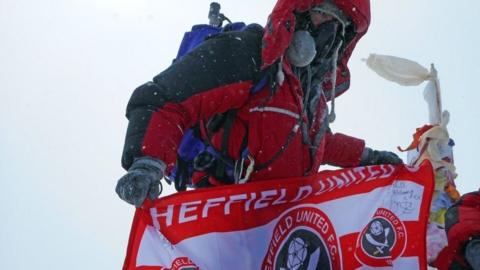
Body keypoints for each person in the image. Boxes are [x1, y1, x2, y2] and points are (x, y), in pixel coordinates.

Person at [116, 0, 402, 208]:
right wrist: (147, 163)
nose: (329, 32)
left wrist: (369, 157)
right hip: (224, 222)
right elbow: (166, 98)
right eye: (323, 12)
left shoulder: (309, 98)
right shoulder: (249, 55)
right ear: (298, 13)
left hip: (280, 232)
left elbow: (322, 144)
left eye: (340, 25)